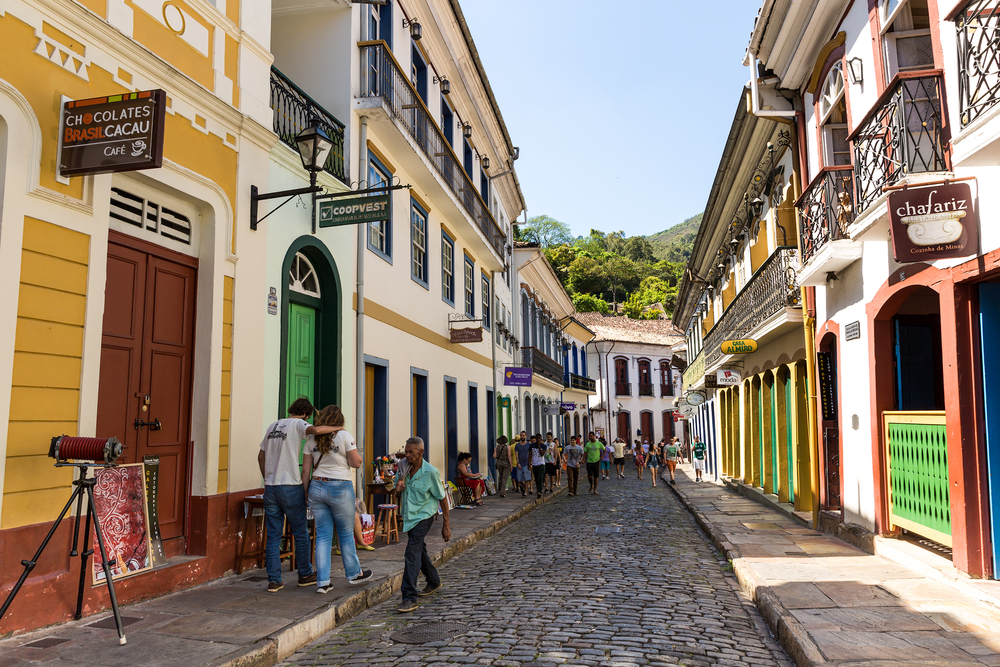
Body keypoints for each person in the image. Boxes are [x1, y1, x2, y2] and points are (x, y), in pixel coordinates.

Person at [257, 398, 340, 593]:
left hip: (271, 487)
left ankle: (274, 580)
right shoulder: (298, 424)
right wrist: (338, 427)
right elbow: (316, 431)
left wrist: (268, 477)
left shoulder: (272, 426)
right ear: (306, 414)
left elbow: (260, 457)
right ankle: (305, 573)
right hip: (290, 487)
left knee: (273, 535)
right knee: (300, 533)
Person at [303, 405, 374, 593]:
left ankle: (323, 582)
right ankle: (354, 573)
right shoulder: (344, 436)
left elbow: (306, 470)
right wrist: (358, 458)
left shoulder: (311, 439)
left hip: (317, 486)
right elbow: (355, 462)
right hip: (340, 487)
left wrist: (306, 492)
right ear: (339, 420)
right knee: (345, 532)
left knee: (323, 536)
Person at [393, 436, 451, 613]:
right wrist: (398, 488)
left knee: (412, 553)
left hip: (424, 516)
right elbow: (396, 491)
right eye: (406, 451)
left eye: (411, 452)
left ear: (421, 452)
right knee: (419, 550)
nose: (407, 455)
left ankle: (409, 597)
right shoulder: (402, 468)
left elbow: (442, 498)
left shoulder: (430, 472)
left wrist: (446, 524)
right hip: (409, 516)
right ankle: (433, 580)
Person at [514, 431, 532, 497]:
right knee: (519, 479)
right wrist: (518, 463)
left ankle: (525, 492)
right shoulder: (517, 445)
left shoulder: (529, 445)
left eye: (523, 435)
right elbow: (516, 455)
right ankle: (523, 487)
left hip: (527, 463)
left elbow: (531, 454)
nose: (522, 436)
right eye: (521, 435)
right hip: (520, 463)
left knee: (527, 478)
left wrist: (530, 463)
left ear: (526, 436)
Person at [530, 434, 547, 499]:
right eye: (537, 438)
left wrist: (539, 446)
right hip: (534, 464)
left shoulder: (543, 446)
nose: (538, 439)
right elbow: (530, 454)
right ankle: (538, 491)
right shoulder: (532, 446)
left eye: (539, 438)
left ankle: (540, 491)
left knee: (540, 478)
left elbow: (542, 454)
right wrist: (530, 463)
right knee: (536, 479)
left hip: (541, 464)